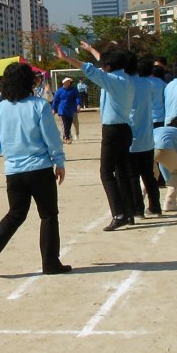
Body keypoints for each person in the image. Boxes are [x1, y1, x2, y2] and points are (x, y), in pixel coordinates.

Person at [0, 62, 71, 276]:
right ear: (29, 81)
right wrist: (59, 161)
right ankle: (50, 262)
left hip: (14, 171)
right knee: (48, 215)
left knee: (15, 215)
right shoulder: (39, 105)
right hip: (39, 168)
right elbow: (51, 137)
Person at [73, 41, 137, 231]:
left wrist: (67, 58)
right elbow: (103, 63)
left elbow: (91, 70)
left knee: (106, 172)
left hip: (113, 131)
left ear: (108, 67)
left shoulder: (112, 80)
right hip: (125, 129)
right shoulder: (125, 78)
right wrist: (90, 49)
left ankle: (119, 214)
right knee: (122, 172)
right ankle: (129, 212)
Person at [130, 58, 160, 217]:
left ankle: (138, 209)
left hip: (133, 138)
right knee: (148, 175)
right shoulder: (149, 84)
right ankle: (155, 207)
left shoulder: (128, 83)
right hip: (148, 137)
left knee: (133, 176)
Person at [52, 77, 80, 143]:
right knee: (64, 125)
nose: (68, 83)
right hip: (62, 110)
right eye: (67, 82)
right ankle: (66, 138)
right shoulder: (59, 91)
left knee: (69, 124)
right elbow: (55, 101)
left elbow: (77, 97)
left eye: (69, 82)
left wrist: (78, 104)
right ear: (63, 83)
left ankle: (67, 137)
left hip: (71, 110)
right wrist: (53, 108)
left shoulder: (73, 90)